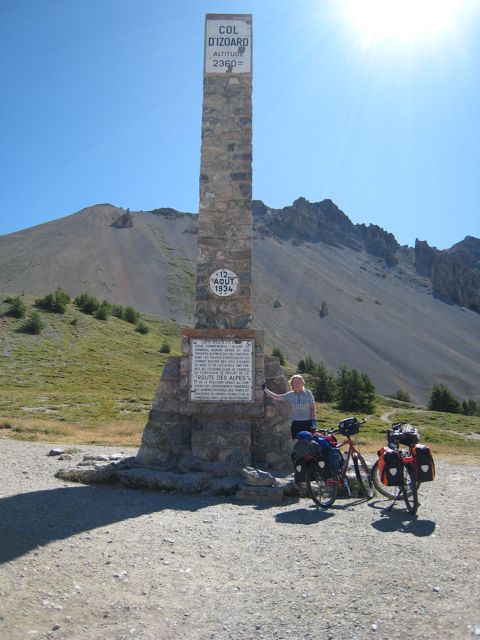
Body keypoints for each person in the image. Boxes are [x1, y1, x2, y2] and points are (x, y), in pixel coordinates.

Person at [263, 374, 317, 441]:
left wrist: (314, 423)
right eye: (295, 382)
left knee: (309, 443)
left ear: (302, 383)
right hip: (296, 423)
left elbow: (313, 408)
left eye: (299, 382)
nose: (297, 384)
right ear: (292, 384)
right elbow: (277, 397)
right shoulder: (290, 395)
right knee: (296, 443)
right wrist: (265, 389)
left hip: (308, 423)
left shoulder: (308, 393)